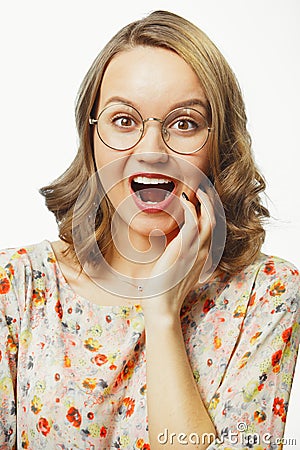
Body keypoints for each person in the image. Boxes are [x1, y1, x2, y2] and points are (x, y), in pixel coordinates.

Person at [0, 9, 299, 450]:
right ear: (92, 138)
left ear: (221, 142)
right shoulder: (18, 289)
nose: (152, 151)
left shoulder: (268, 295)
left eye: (185, 123)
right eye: (124, 121)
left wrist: (162, 314)